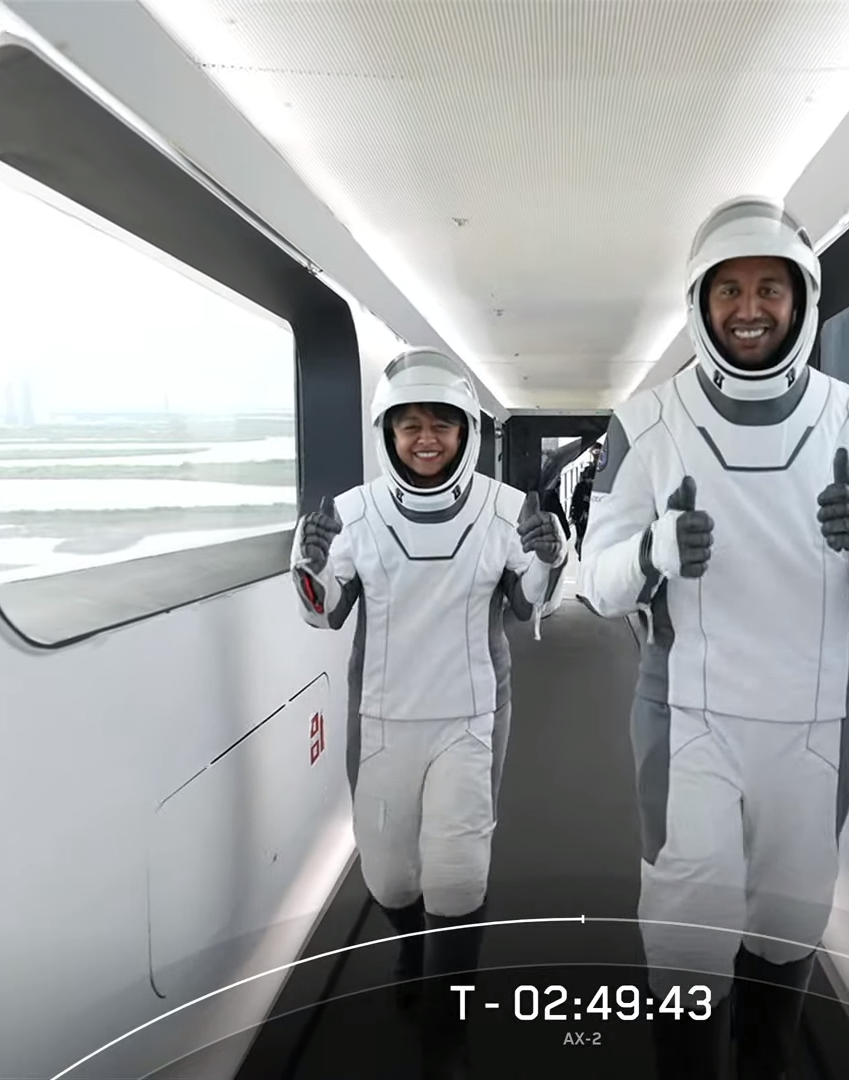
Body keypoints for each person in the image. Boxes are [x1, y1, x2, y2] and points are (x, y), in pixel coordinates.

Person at [576, 196, 849, 1079]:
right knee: (687, 944)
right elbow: (594, 579)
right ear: (699, 302)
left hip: (812, 726)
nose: (748, 308)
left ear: (801, 299)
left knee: (786, 934)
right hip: (689, 720)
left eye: (768, 288)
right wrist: (655, 549)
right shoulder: (645, 424)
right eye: (728, 289)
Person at [290, 347, 568, 1078]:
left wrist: (547, 558)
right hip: (383, 720)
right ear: (386, 431)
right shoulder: (352, 514)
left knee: (458, 875)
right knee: (388, 881)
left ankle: (447, 1025)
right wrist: (310, 568)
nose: (424, 438)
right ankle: (412, 944)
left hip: (471, 715)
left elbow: (524, 605)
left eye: (440, 424)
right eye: (408, 424)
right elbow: (329, 612)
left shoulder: (505, 509)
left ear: (465, 431)